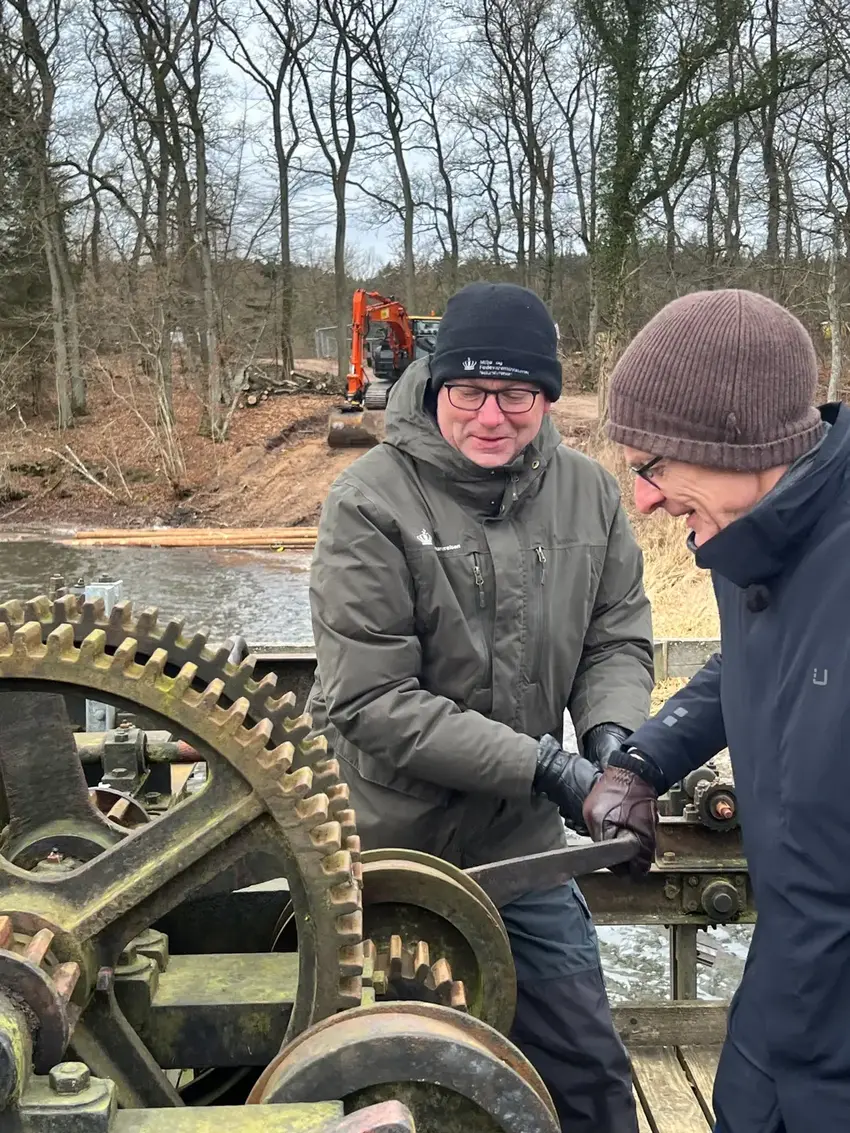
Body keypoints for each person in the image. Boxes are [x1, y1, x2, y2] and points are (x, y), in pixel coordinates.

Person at [306, 281, 655, 1132]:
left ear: (546, 395)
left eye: (517, 394)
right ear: (435, 383)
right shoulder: (368, 501)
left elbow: (616, 637)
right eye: (469, 391)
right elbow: (371, 697)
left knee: (589, 1080)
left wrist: (612, 746)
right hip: (386, 854)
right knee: (378, 1092)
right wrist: (548, 765)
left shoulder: (590, 495)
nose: (491, 415)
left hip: (522, 846)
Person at [582, 287, 850, 1133]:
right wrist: (643, 760)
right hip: (779, 1005)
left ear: (736, 445)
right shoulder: (749, 544)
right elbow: (756, 666)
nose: (644, 499)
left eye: (654, 467)